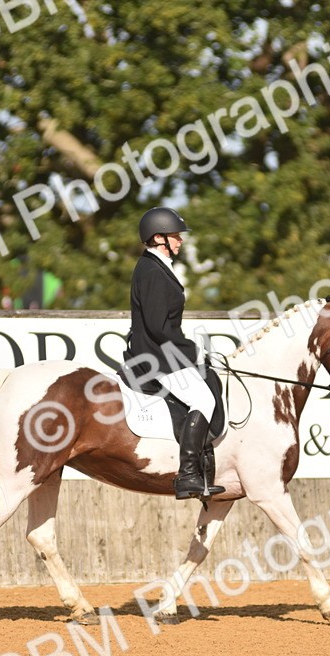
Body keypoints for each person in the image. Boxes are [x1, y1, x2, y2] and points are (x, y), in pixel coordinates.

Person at [121, 207, 225, 500]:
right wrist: (191, 350)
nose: (180, 242)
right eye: (175, 236)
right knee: (203, 398)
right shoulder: (152, 271)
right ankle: (188, 474)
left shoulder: (156, 266)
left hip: (161, 351)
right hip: (156, 356)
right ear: (158, 238)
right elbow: (157, 326)